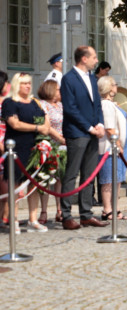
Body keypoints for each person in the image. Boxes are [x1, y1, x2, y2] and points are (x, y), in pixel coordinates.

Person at [2, 73, 60, 232]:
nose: (28, 86)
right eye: (24, 83)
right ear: (16, 85)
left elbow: (45, 121)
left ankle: (33, 219)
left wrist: (52, 133)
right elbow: (14, 123)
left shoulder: (35, 103)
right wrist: (36, 128)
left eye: (29, 83)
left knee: (34, 184)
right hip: (16, 147)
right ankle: (13, 220)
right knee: (15, 185)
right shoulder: (10, 102)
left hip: (34, 147)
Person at [59, 45, 109, 229]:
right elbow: (70, 108)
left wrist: (100, 124)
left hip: (94, 132)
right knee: (72, 174)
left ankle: (86, 213)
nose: (97, 61)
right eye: (94, 57)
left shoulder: (91, 78)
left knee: (89, 175)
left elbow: (97, 105)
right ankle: (65, 215)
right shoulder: (68, 79)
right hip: (77, 132)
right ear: (84, 59)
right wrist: (89, 127)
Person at [97, 75, 127, 221]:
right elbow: (110, 128)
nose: (116, 87)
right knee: (108, 180)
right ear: (109, 87)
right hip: (110, 149)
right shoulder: (106, 104)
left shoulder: (111, 104)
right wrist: (118, 144)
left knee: (116, 179)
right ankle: (107, 209)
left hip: (117, 148)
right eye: (115, 84)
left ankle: (115, 207)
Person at [35, 80, 66, 224]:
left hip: (63, 145)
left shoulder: (60, 105)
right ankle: (44, 211)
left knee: (60, 179)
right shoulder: (43, 105)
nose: (60, 92)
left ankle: (60, 210)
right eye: (58, 90)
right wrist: (59, 138)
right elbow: (47, 125)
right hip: (50, 144)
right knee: (46, 178)